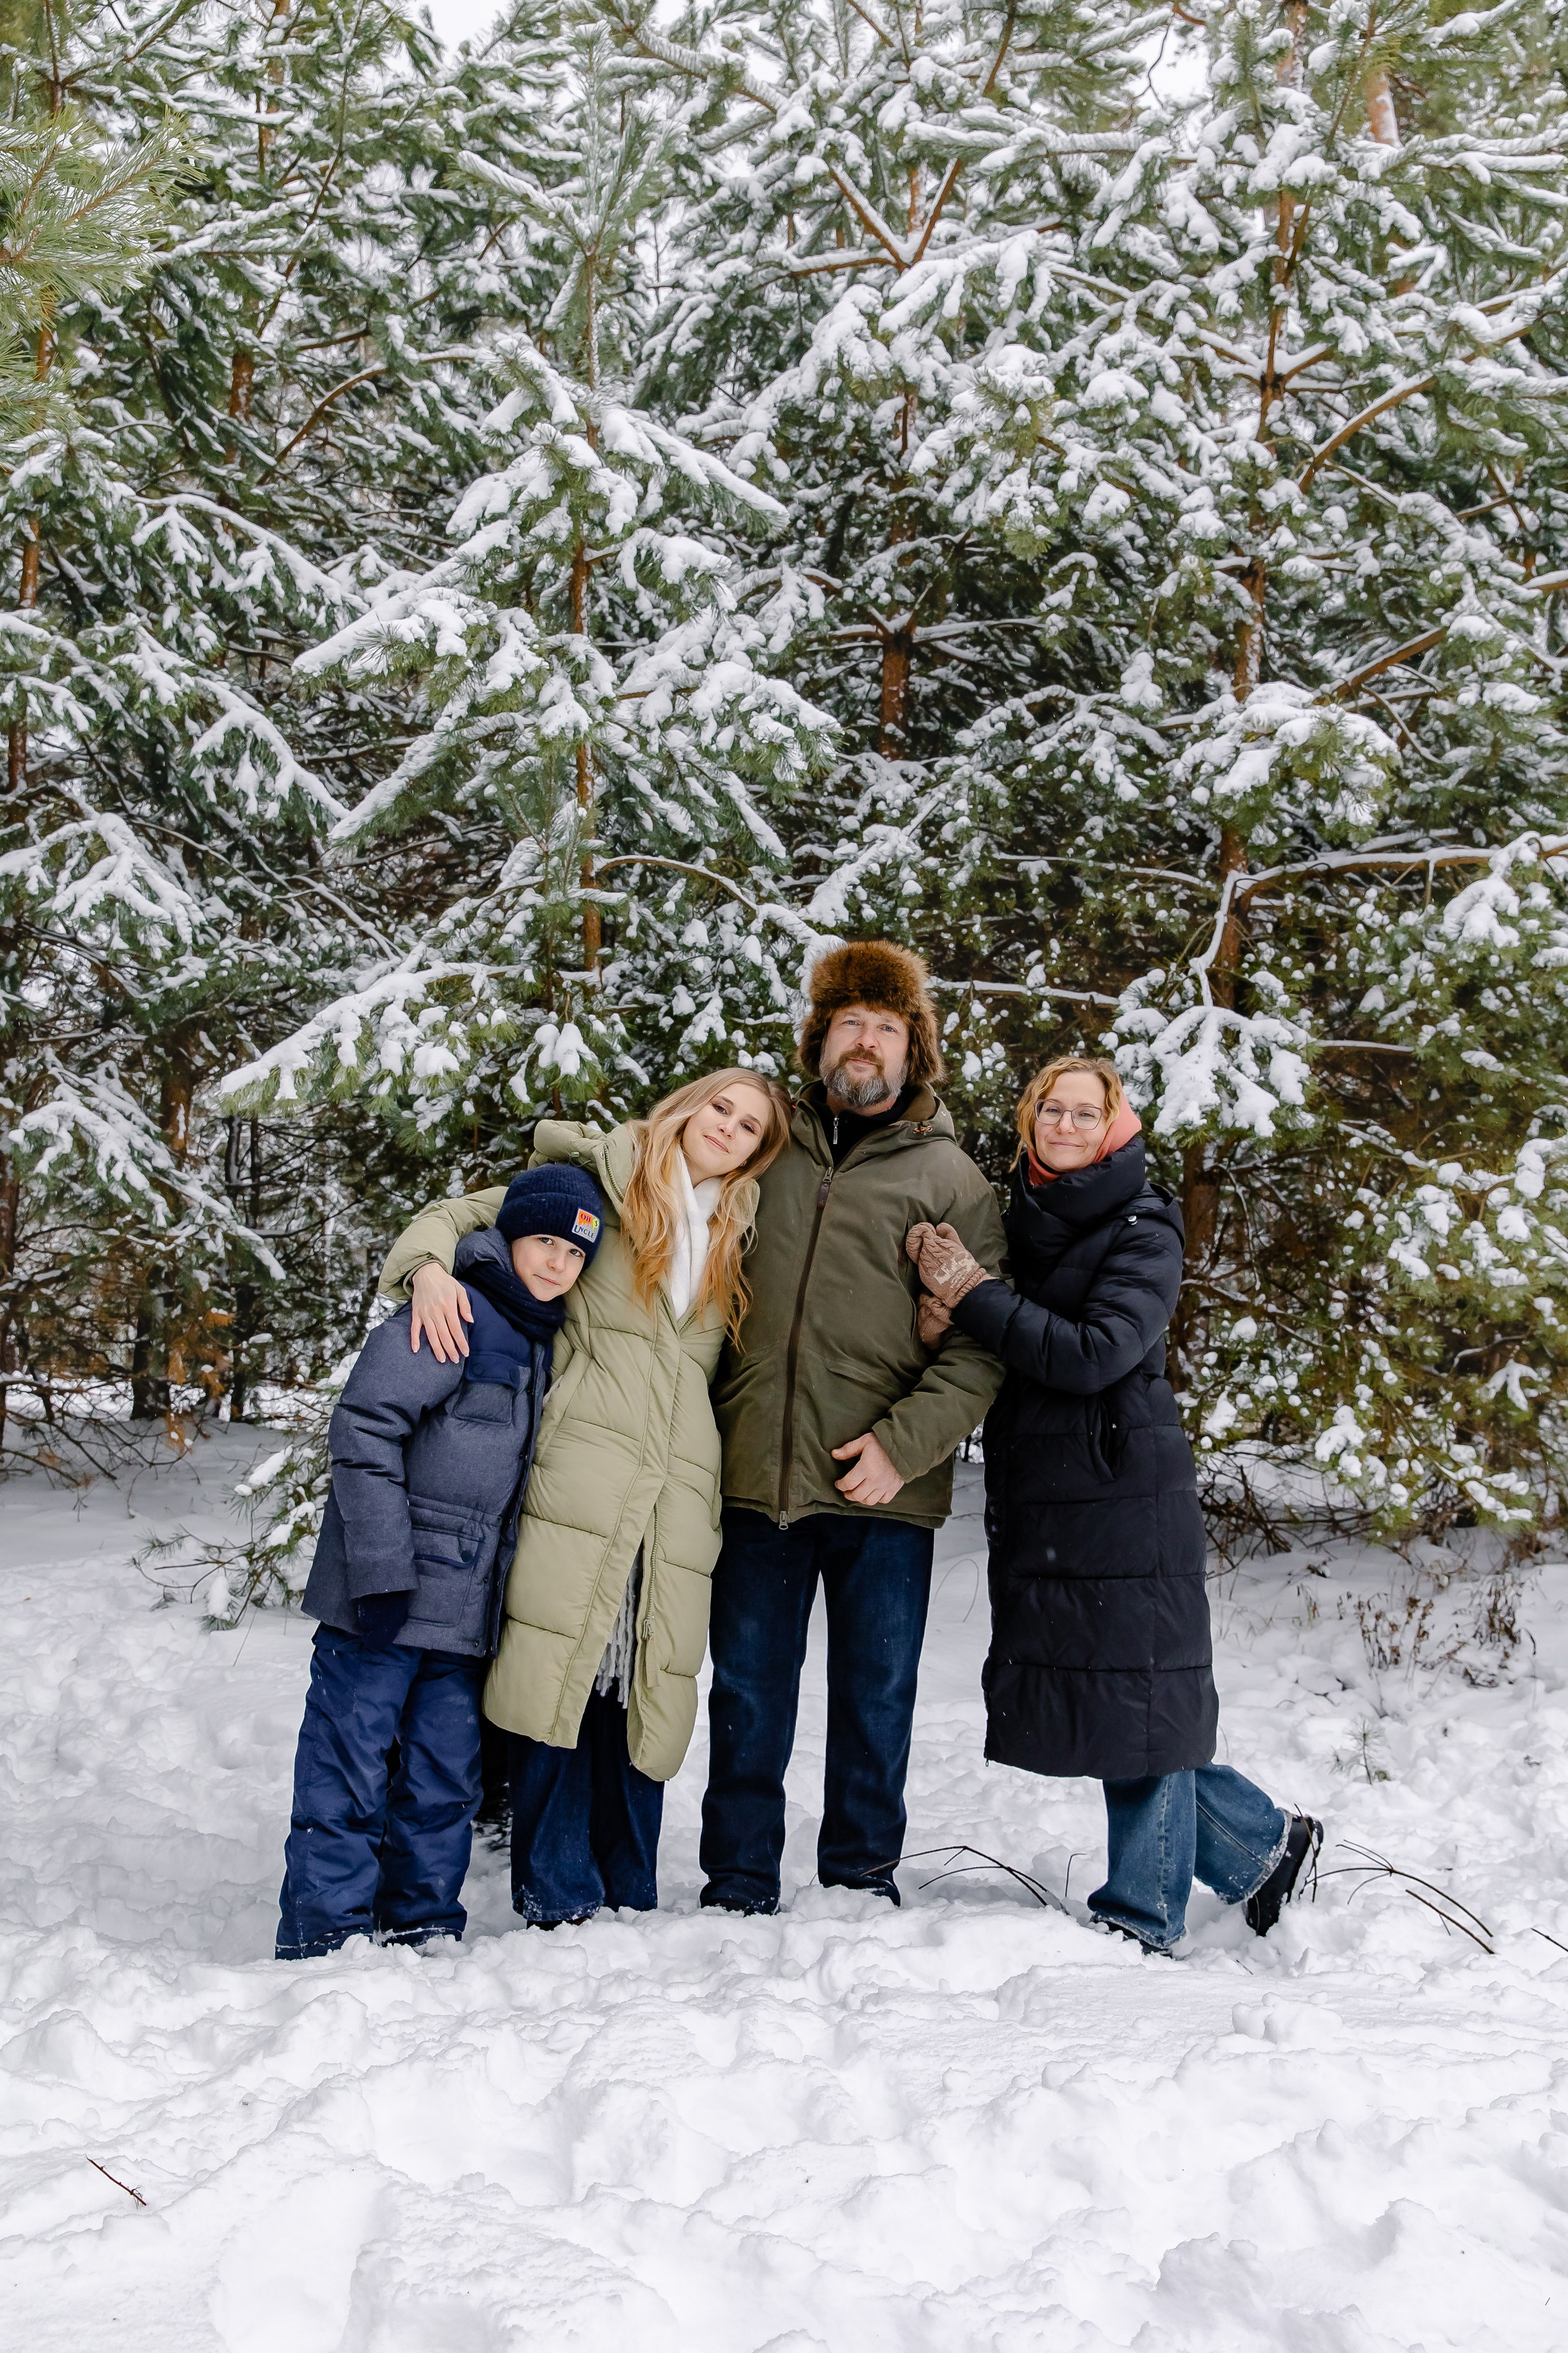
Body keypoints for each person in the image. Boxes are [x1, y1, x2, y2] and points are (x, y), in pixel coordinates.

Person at [907, 1054, 1321, 1955]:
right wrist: (954, 1315)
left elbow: (1095, 1352)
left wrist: (975, 1295)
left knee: (1134, 1703)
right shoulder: (1024, 1215)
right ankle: (1264, 1843)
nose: (1064, 1123)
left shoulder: (1145, 1225)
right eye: (1049, 1108)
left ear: (1117, 1124)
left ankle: (1142, 1912)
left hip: (1122, 1487)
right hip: (1052, 1495)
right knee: (1111, 1702)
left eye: (1084, 1111)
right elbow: (1012, 1329)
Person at [378, 1070, 793, 1926]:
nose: (729, 1127)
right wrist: (425, 1270)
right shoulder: (598, 1186)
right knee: (561, 1665)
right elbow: (456, 1217)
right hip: (581, 1471)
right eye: (721, 1106)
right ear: (687, 1106)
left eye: (750, 1125)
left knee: (646, 1675)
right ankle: (558, 1891)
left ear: (759, 1150)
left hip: (677, 1489)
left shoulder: (739, 1229)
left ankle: (628, 1890)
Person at [699, 940, 1008, 1916]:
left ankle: (860, 1875)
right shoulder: (763, 1147)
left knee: (876, 1698)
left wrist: (902, 1446)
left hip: (884, 1486)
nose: (865, 1041)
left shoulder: (952, 1178)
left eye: (885, 1026)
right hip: (759, 1473)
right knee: (748, 1690)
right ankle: (740, 1878)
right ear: (820, 1038)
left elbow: (981, 1346)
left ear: (913, 1049)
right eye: (849, 1023)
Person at [276, 1165, 603, 1959]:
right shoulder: (458, 1311)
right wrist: (382, 1571)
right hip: (383, 1602)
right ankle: (325, 1930)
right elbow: (364, 1431)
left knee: (442, 1778)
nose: (558, 1262)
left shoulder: (542, 1343)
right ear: (511, 1235)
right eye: (545, 1241)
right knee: (348, 1769)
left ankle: (421, 1918)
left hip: (462, 1621)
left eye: (575, 1253)